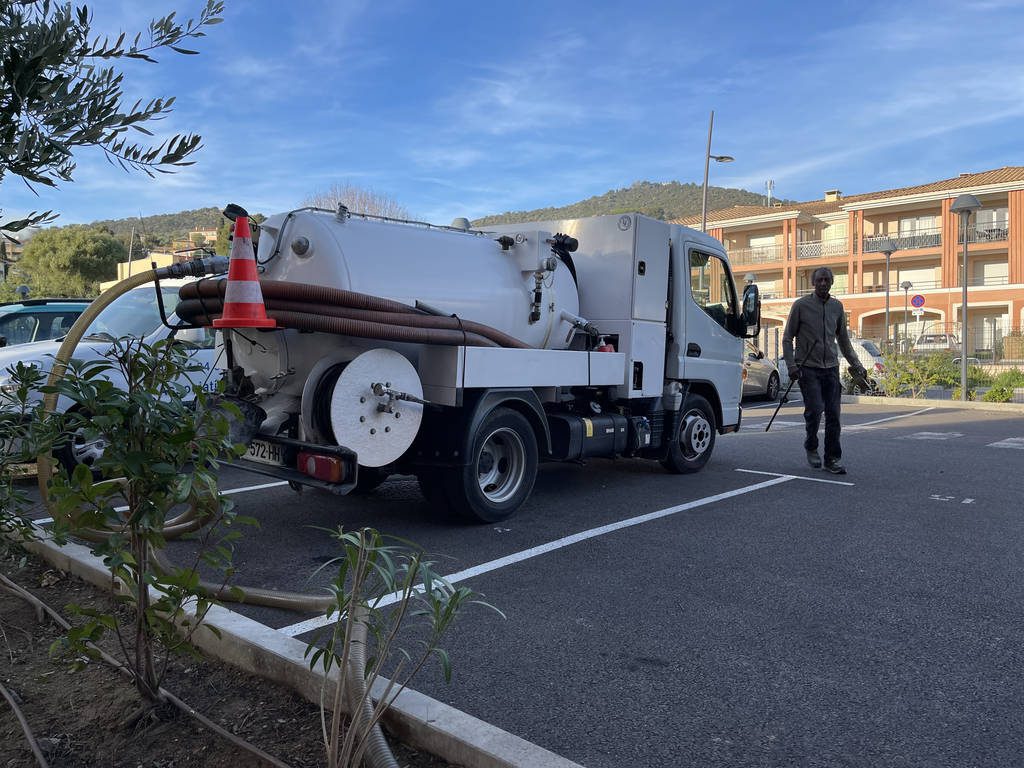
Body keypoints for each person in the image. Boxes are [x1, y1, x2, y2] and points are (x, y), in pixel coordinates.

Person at [782, 266, 866, 474]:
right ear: (813, 282)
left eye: (826, 280)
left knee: (834, 415)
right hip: (807, 368)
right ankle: (811, 445)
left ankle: (832, 459)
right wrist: (792, 365)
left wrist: (857, 364)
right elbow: (787, 338)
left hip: (831, 368)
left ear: (832, 282)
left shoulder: (837, 307)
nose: (823, 283)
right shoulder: (801, 305)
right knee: (815, 410)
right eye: (819, 280)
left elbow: (844, 341)